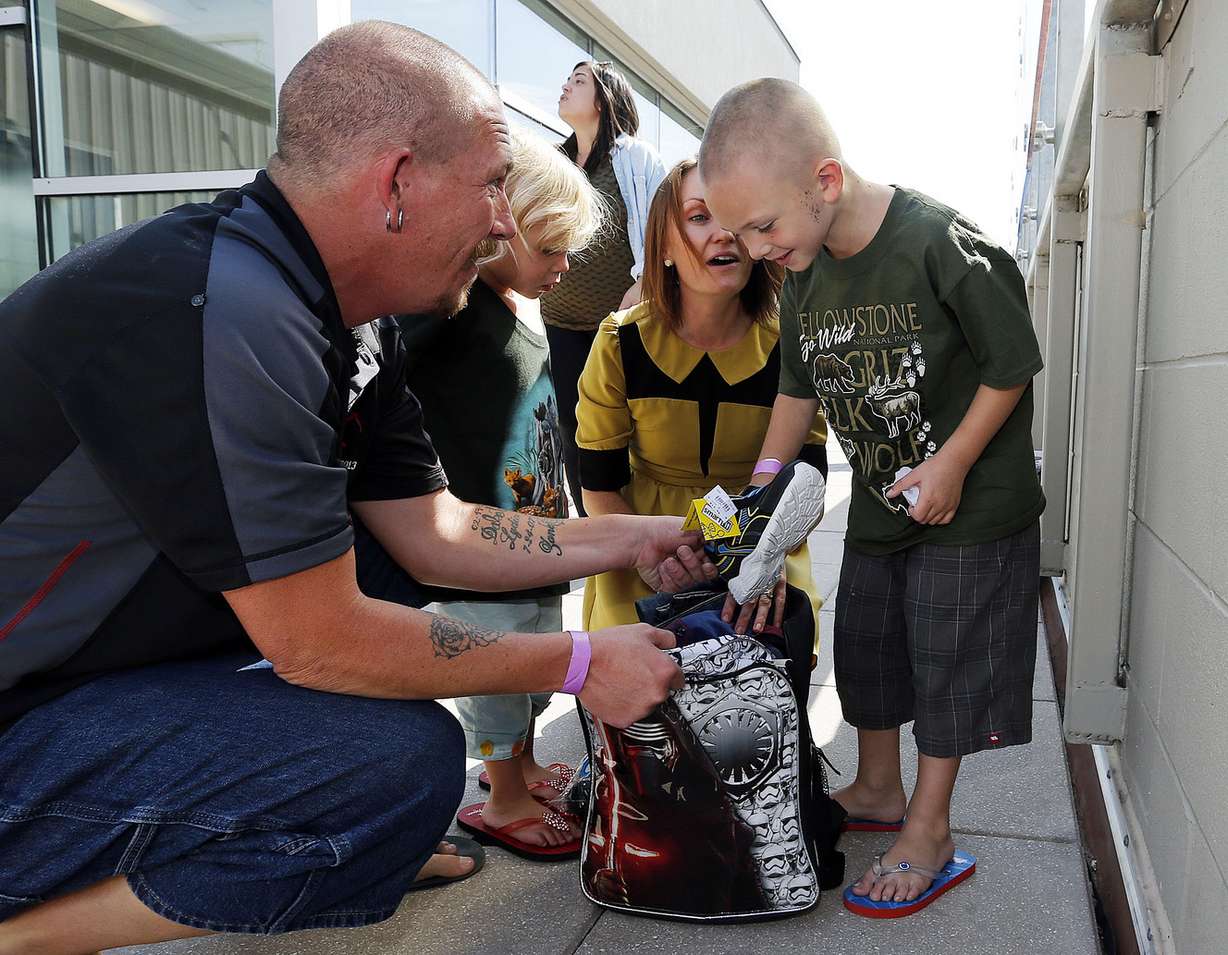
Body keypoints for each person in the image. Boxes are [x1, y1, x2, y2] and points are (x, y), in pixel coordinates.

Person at [0, 24, 718, 953]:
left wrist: (634, 537)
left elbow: (437, 532)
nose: (506, 221)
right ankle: (25, 932)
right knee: (402, 771)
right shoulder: (225, 312)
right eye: (493, 183)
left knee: (378, 563)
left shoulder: (338, 313)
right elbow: (318, 640)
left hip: (84, 683)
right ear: (396, 183)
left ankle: (329, 834)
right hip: (23, 722)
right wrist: (581, 664)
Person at [698, 78, 1045, 915]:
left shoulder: (939, 244)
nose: (753, 247)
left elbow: (1012, 361)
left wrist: (956, 461)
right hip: (887, 512)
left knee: (947, 665)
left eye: (763, 226)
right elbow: (796, 390)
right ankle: (880, 787)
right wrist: (759, 506)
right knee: (869, 648)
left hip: (974, 504)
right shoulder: (804, 270)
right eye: (737, 230)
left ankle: (929, 824)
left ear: (823, 180)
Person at [396, 130, 605, 858]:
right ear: (500, 226)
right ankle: (502, 794)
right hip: (481, 546)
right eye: (550, 249)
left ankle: (518, 767)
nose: (563, 266)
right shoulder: (447, 308)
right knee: (497, 671)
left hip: (536, 541)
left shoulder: (519, 309)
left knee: (533, 660)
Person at [576, 158, 828, 640]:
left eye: (734, 215)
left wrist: (767, 552)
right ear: (664, 244)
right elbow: (598, 490)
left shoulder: (792, 346)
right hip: (641, 537)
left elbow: (807, 484)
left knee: (774, 652)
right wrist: (653, 554)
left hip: (763, 536)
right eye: (698, 217)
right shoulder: (617, 342)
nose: (724, 233)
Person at [544, 60, 667, 517]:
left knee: (626, 427)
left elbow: (660, 227)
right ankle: (598, 530)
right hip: (561, 324)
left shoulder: (634, 158)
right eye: (567, 77)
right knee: (574, 430)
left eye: (578, 81)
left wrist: (644, 282)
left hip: (618, 324)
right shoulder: (553, 162)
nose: (566, 85)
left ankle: (641, 527)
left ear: (603, 97)